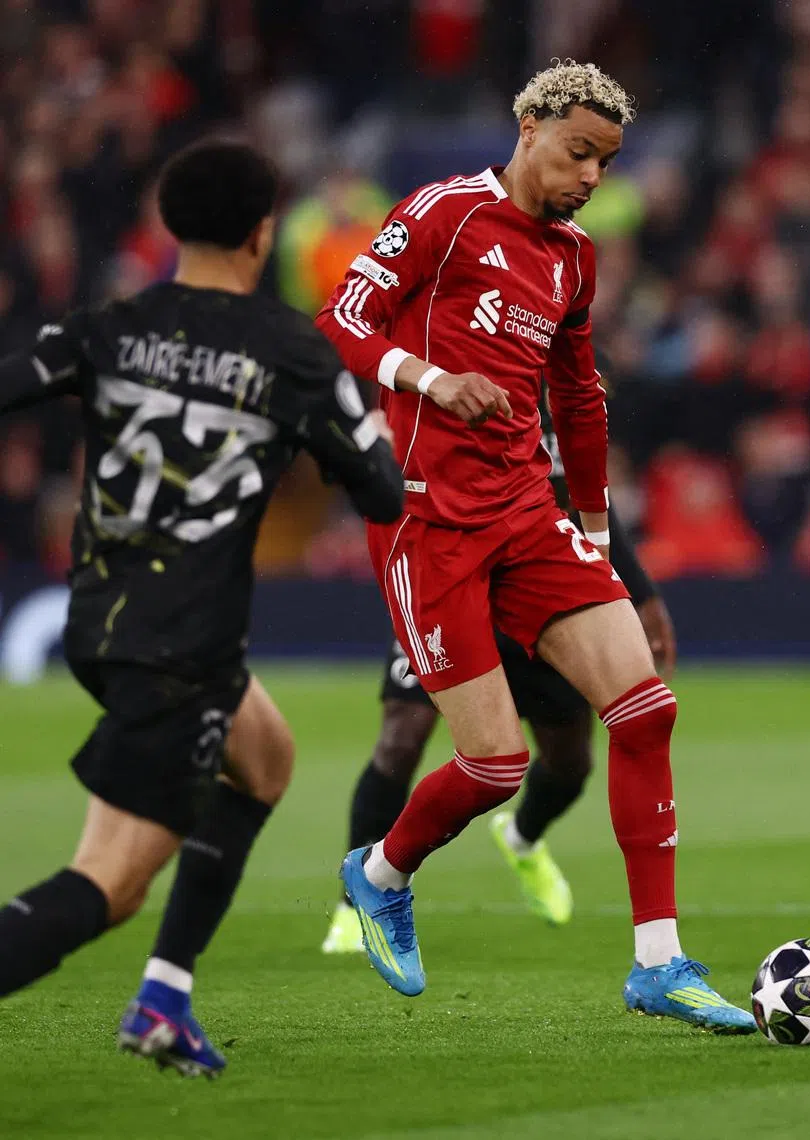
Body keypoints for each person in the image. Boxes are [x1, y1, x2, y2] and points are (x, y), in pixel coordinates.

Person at [315, 60, 755, 1032]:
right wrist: (428, 381)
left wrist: (594, 532)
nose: (591, 177)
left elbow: (581, 396)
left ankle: (659, 962)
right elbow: (339, 321)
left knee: (644, 711)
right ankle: (381, 871)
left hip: (528, 510)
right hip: (425, 517)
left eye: (605, 161)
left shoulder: (575, 258)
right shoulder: (440, 214)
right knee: (494, 766)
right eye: (578, 153)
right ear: (528, 127)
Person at [0, 140, 406, 1077]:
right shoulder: (289, 351)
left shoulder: (110, 327)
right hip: (181, 644)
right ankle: (152, 996)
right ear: (265, 233)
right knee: (108, 881)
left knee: (264, 760)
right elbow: (382, 492)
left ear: (169, 225)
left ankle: (165, 999)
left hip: (102, 618)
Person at [322, 395, 675, 948]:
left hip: (539, 589)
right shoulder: (437, 375)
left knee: (571, 763)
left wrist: (643, 593)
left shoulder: (561, 389)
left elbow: (589, 492)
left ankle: (523, 837)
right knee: (400, 738)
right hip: (446, 582)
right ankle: (354, 906)